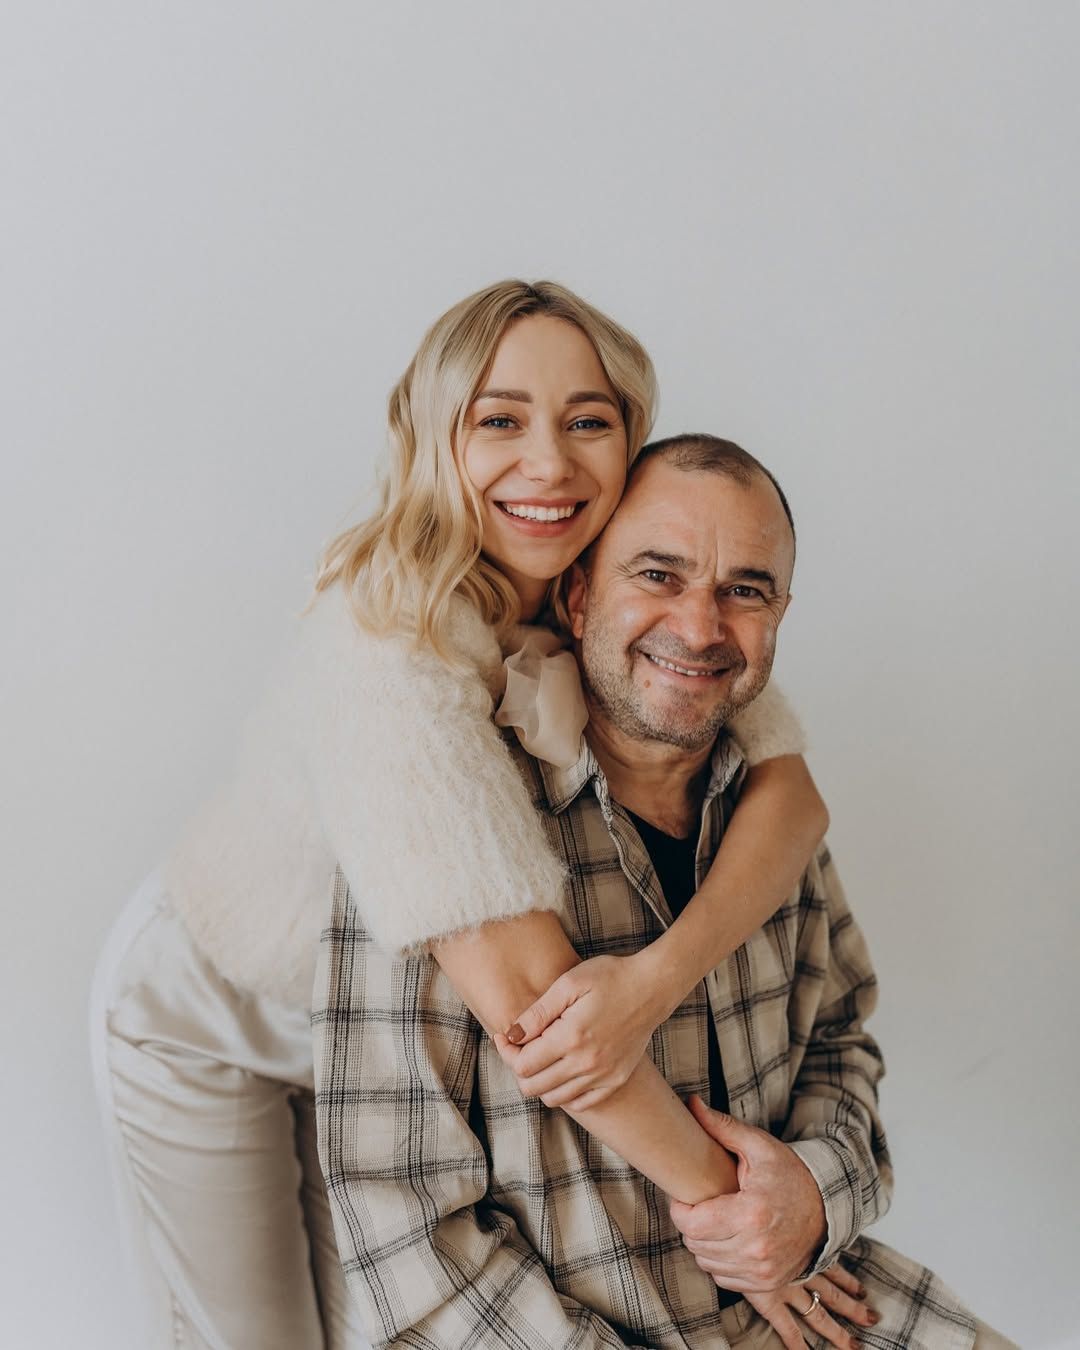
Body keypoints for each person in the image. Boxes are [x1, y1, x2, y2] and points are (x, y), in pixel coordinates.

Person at [91, 282, 828, 1350]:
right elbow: (538, 1016)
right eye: (500, 420)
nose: (549, 463)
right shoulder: (386, 653)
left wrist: (659, 976)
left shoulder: (630, 587)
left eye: (587, 421)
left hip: (387, 1056)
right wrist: (748, 1224)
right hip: (222, 1022)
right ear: (439, 436)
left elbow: (789, 798)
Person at [314, 434, 1018, 1350]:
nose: (700, 627)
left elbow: (840, 1039)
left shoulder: (770, 812)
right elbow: (403, 1232)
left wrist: (812, 1198)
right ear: (578, 594)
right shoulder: (445, 824)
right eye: (658, 575)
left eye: (746, 591)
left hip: (807, 1300)